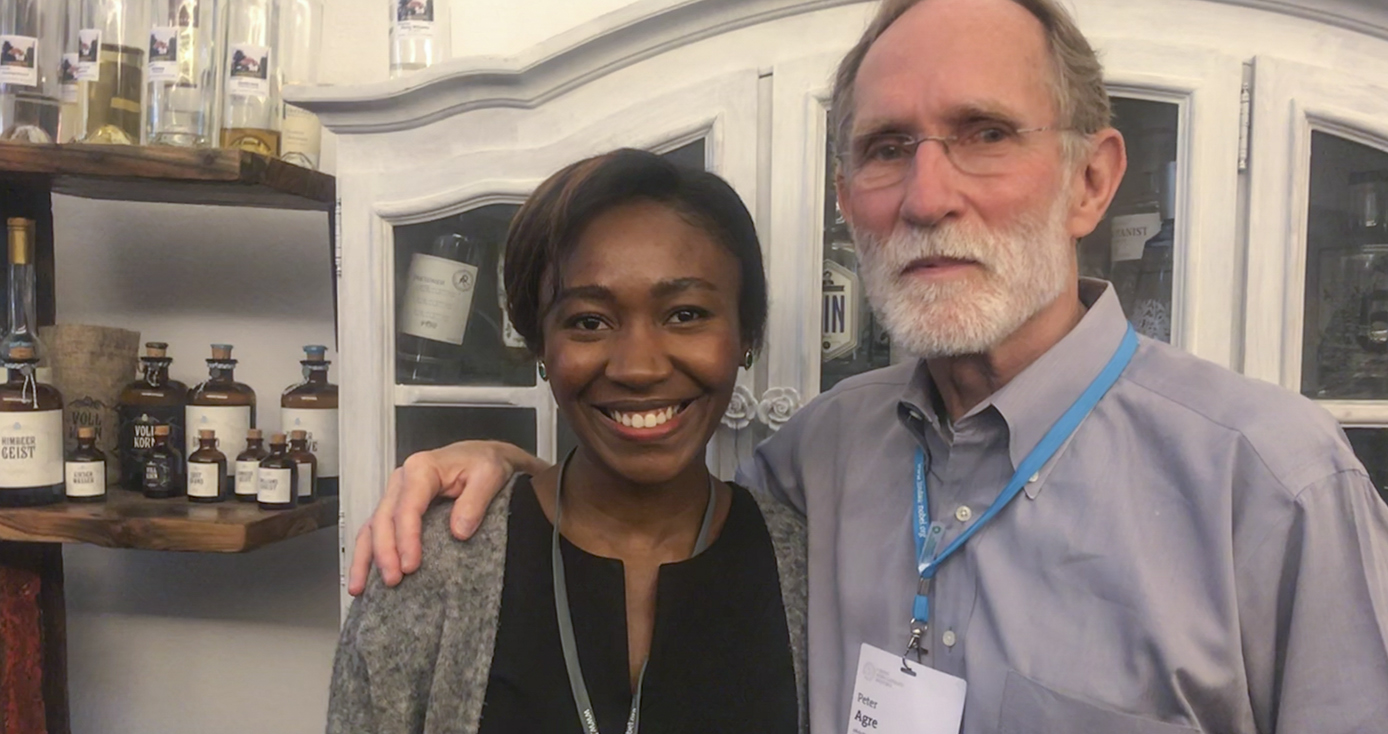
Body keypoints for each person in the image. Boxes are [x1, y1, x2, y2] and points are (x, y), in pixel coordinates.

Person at [349, 0, 1388, 732]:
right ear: (848, 196)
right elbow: (644, 494)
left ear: (1089, 180)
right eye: (887, 148)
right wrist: (505, 464)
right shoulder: (828, 449)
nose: (927, 194)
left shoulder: (1271, 484)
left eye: (983, 133)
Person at [328, 149, 807, 733]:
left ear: (746, 334)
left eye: (684, 314)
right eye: (588, 321)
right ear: (540, 348)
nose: (638, 367)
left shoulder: (808, 569)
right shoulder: (432, 566)